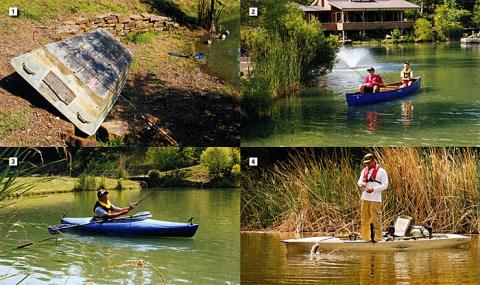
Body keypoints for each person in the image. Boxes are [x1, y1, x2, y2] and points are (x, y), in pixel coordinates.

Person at [357, 153, 388, 242]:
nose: (367, 164)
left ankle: (378, 239)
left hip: (375, 199)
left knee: (376, 220)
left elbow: (385, 185)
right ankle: (365, 239)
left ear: (374, 161)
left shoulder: (382, 171)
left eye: (369, 162)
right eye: (366, 163)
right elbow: (359, 182)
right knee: (364, 220)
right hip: (365, 198)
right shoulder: (364, 171)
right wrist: (362, 183)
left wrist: (374, 189)